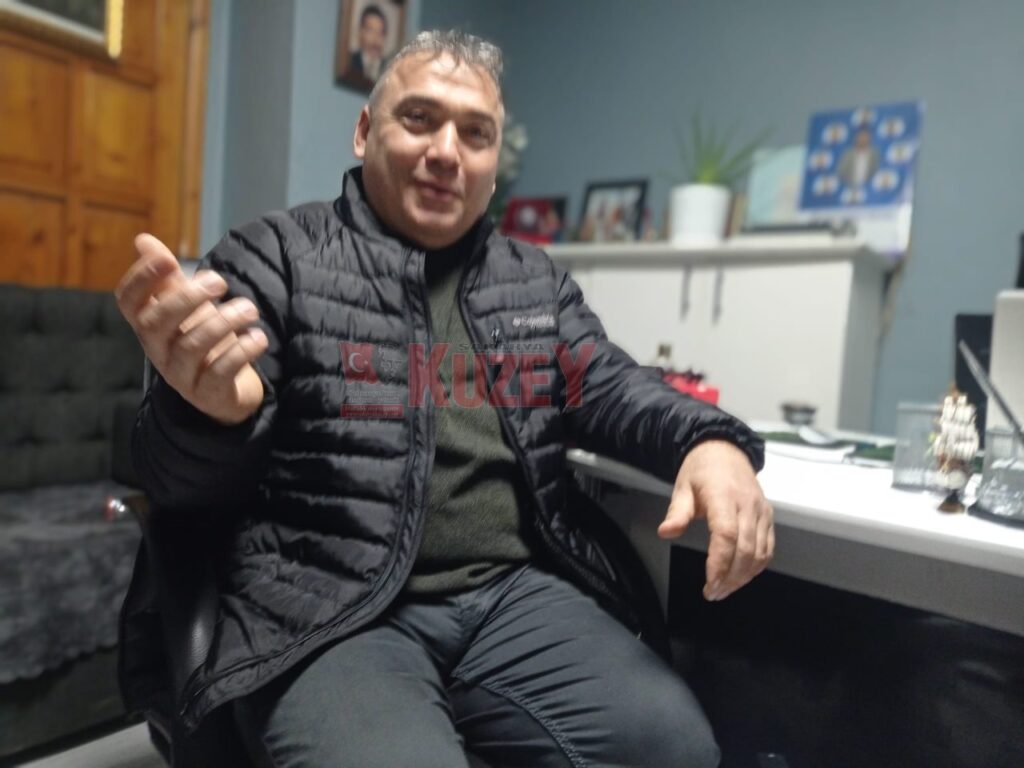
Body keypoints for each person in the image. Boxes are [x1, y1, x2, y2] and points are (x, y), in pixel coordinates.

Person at [116, 29, 773, 768]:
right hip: (330, 609)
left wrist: (709, 442)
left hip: (510, 597)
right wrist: (210, 411)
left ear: (493, 167)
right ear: (365, 131)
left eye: (475, 133)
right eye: (420, 119)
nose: (446, 152)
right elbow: (171, 476)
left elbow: (613, 385)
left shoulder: (533, 282)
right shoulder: (273, 258)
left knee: (676, 750)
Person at [338, 3, 389, 93]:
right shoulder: (349, 60)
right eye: (370, 31)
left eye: (380, 33)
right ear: (360, 32)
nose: (375, 39)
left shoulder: (389, 70)